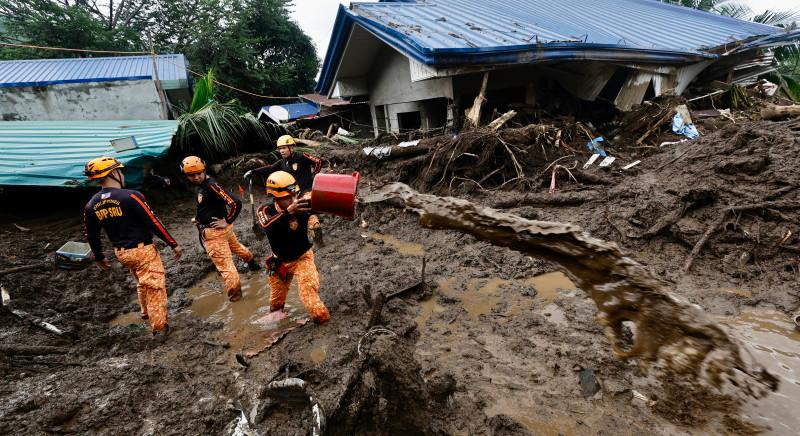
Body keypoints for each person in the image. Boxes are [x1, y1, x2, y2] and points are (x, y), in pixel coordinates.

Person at [83, 156, 182, 336]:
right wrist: (172, 243)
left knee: (141, 281)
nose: (122, 174)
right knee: (155, 287)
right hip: (142, 250)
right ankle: (159, 327)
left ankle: (146, 312)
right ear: (113, 173)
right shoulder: (131, 196)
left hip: (122, 253)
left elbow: (91, 235)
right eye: (119, 171)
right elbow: (153, 222)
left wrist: (99, 256)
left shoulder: (92, 204)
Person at [182, 156, 260, 302]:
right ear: (186, 175)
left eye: (199, 173)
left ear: (204, 170)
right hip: (222, 230)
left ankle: (236, 299)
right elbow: (206, 205)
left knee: (226, 267)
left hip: (215, 233)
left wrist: (228, 220)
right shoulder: (201, 186)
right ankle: (253, 265)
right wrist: (199, 218)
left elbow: (236, 202)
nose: (196, 177)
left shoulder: (211, 185)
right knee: (237, 247)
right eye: (192, 175)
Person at [256, 171, 330, 324]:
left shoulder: (303, 205)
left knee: (311, 298)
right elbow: (268, 227)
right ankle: (280, 322)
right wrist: (288, 213)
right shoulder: (265, 210)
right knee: (276, 303)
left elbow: (328, 205)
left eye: (295, 195)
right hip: (279, 262)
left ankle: (323, 322)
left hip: (302, 258)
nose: (293, 200)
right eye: (287, 198)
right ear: (275, 198)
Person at [244, 135, 324, 239]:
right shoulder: (282, 163)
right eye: (280, 149)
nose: (282, 151)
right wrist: (252, 172)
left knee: (304, 210)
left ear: (291, 147)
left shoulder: (301, 156)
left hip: (306, 190)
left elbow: (318, 161)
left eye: (284, 148)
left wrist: (315, 176)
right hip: (293, 192)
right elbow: (270, 168)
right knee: (289, 211)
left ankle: (315, 228)